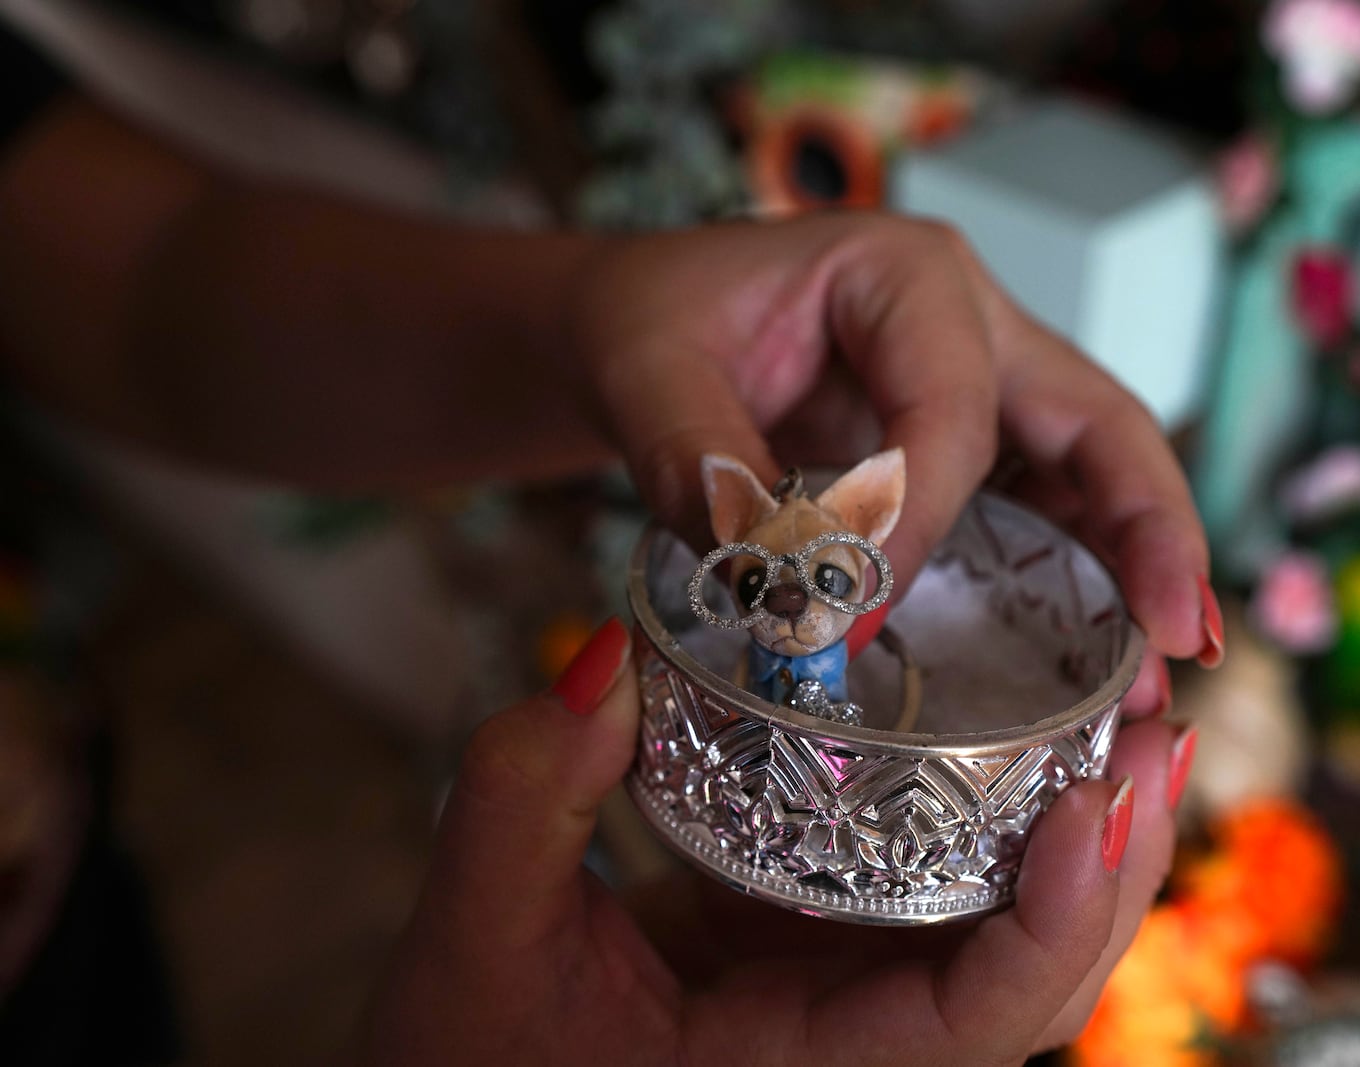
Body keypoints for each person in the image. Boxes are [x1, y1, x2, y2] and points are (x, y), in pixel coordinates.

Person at [0, 15, 1223, 1064]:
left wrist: (594, 318)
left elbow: (145, 280)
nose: (800, 603)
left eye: (831, 578)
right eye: (770, 577)